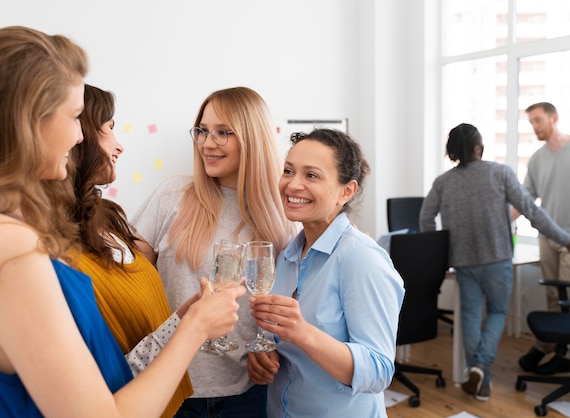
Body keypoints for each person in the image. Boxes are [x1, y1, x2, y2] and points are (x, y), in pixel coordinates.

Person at [0, 26, 245, 418]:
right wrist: (195, 331)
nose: (77, 137)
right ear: (29, 121)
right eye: (74, 117)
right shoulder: (6, 246)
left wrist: (183, 323)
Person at [132, 86, 296, 417]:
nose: (207, 143)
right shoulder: (172, 195)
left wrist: (268, 348)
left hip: (247, 393)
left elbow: (283, 301)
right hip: (171, 387)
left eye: (223, 133)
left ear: (252, 138)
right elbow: (130, 283)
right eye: (203, 131)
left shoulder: (282, 216)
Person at [246, 128, 405, 417]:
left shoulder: (361, 259)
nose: (293, 185)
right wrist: (265, 350)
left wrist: (303, 333)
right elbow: (282, 338)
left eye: (311, 175)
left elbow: (379, 371)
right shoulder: (287, 256)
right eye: (288, 171)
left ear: (347, 191)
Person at [66, 84, 197, 417]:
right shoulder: (58, 254)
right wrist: (195, 329)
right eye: (109, 128)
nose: (119, 145)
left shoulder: (106, 216)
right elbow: (110, 379)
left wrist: (183, 318)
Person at [418, 123, 570, 402]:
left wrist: (441, 251)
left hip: (463, 262)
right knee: (498, 313)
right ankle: (479, 366)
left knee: (470, 318)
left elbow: (425, 218)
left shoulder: (444, 182)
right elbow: (532, 213)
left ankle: (482, 382)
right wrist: (565, 238)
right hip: (498, 258)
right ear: (478, 147)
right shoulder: (500, 173)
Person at [518, 102, 570, 375]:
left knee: (569, 296)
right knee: (553, 295)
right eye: (531, 123)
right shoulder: (537, 158)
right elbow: (524, 200)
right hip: (547, 237)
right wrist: (501, 222)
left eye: (538, 120)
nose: (535, 127)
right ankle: (550, 346)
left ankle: (566, 355)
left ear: (554, 118)